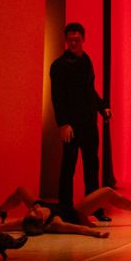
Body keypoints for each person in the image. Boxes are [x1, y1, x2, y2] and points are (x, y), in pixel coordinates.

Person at [50, 22, 112, 221]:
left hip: (88, 122)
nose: (73, 43)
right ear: (66, 41)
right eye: (70, 40)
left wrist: (102, 107)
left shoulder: (86, 60)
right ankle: (65, 208)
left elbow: (89, 90)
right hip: (72, 125)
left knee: (92, 166)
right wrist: (63, 123)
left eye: (77, 40)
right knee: (68, 166)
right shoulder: (59, 65)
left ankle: (94, 207)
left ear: (83, 39)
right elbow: (57, 97)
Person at [0, 186, 131, 238]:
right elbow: (78, 229)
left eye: (30, 210)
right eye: (34, 212)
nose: (32, 208)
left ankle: (1, 210)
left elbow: (1, 228)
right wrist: (97, 234)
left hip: (62, 206)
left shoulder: (31, 216)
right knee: (108, 192)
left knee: (21, 190)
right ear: (42, 220)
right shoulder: (55, 223)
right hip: (76, 212)